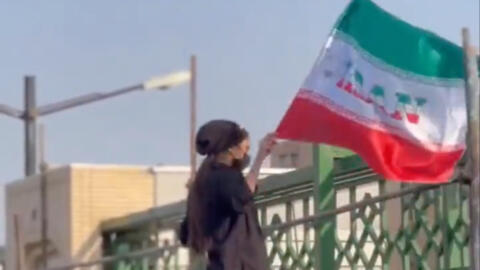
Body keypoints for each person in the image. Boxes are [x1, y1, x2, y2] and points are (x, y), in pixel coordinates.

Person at [179, 120, 277, 270]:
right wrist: (259, 159)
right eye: (245, 148)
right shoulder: (225, 176)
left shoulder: (205, 179)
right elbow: (242, 195)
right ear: (232, 148)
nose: (246, 153)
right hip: (238, 263)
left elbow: (185, 234)